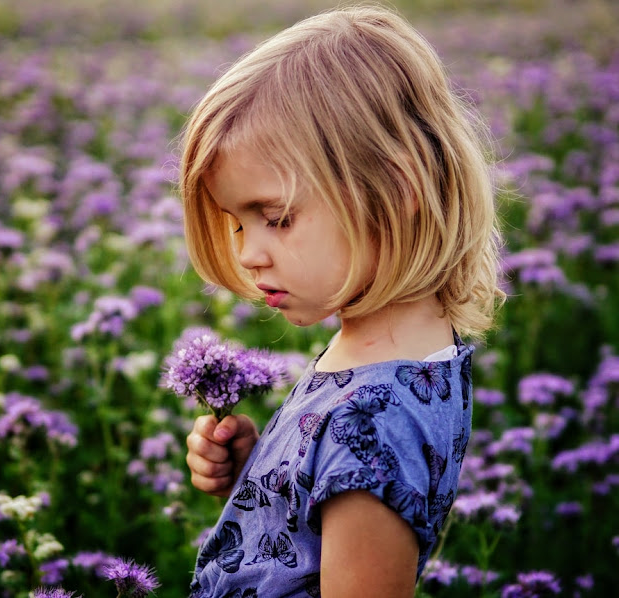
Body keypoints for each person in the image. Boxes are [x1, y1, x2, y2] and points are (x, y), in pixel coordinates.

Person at [180, 5, 503, 597]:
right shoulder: (386, 349)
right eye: (238, 225)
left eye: (275, 217)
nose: (249, 254)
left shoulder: (375, 421)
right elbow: (314, 534)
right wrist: (263, 477)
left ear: (395, 190)